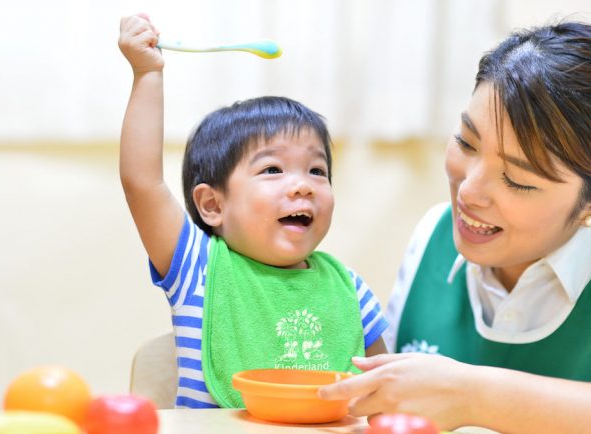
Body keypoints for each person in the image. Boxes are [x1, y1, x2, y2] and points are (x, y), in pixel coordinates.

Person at [319, 21, 591, 433]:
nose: (470, 190)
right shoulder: (435, 234)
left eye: (518, 180)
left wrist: (471, 394)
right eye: (466, 142)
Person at [117, 14, 388, 410]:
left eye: (317, 170)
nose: (303, 184)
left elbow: (384, 393)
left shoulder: (350, 290)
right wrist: (147, 73)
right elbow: (142, 182)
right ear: (212, 204)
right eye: (272, 170)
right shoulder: (198, 267)